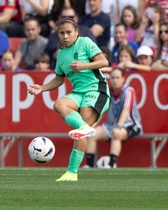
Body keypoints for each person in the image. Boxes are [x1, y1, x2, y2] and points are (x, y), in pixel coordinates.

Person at [28, 17, 110, 181]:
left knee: (81, 132)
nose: (65, 36)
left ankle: (72, 172)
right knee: (59, 104)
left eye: (68, 32)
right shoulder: (61, 53)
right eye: (61, 33)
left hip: (96, 89)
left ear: (76, 32)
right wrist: (42, 88)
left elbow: (104, 61)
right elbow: (59, 79)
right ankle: (83, 128)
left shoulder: (85, 42)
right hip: (78, 93)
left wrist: (84, 66)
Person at [85, 68, 143, 168]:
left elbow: (126, 110)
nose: (115, 80)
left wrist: (118, 126)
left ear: (123, 79)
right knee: (92, 134)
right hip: (111, 125)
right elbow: (100, 112)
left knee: (117, 134)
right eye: (112, 78)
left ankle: (111, 165)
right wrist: (89, 127)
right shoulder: (107, 93)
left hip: (130, 124)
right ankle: (89, 166)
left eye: (117, 77)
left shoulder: (129, 91)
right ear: (109, 79)